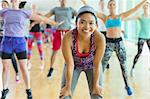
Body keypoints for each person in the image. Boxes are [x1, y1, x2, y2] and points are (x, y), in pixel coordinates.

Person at [0, 0, 60, 99]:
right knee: (5, 68)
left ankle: (28, 90)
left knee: (23, 67)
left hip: (20, 43)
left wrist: (53, 23)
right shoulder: (5, 11)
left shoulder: (24, 12)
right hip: (7, 42)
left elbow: (41, 18)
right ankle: (5, 90)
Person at [96, 0, 147, 96]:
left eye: (113, 4)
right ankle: (98, 85)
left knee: (123, 66)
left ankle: (127, 86)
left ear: (116, 6)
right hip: (109, 43)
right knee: (102, 66)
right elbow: (93, 11)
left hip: (119, 43)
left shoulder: (120, 16)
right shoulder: (105, 17)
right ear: (108, 7)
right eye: (110, 5)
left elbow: (134, 9)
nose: (112, 6)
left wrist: (144, 1)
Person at [59, 5, 105, 99]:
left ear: (96, 25)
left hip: (92, 66)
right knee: (65, 96)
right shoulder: (68, 38)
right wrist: (67, 88)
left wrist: (96, 86)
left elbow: (96, 65)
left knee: (97, 96)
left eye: (91, 23)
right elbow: (70, 64)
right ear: (76, 23)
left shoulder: (99, 38)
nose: (87, 26)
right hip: (73, 66)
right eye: (82, 22)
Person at [45, 0, 86, 78]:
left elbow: (81, 16)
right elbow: (45, 17)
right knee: (55, 51)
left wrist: (84, 4)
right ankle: (51, 68)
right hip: (58, 32)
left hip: (68, 32)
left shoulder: (70, 9)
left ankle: (73, 68)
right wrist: (51, 22)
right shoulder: (55, 9)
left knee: (72, 51)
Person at [127, 2, 150, 77]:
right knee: (139, 53)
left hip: (149, 37)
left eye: (147, 5)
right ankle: (133, 68)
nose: (146, 7)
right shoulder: (140, 16)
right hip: (142, 36)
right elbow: (130, 18)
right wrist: (122, 18)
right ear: (143, 7)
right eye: (145, 5)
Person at [0, 0, 20, 84]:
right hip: (0, 38)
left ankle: (17, 73)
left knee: (12, 57)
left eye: (5, 5)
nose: (3, 6)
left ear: (8, 6)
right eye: (2, 5)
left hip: (9, 38)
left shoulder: (10, 15)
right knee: (3, 58)